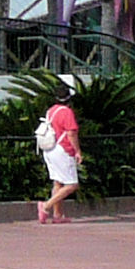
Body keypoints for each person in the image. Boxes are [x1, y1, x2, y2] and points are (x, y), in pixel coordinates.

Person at [36, 83, 82, 225]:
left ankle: (58, 214)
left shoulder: (51, 111)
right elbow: (71, 133)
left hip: (51, 149)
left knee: (58, 182)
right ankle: (46, 206)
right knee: (72, 184)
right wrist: (78, 151)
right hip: (63, 149)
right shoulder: (67, 112)